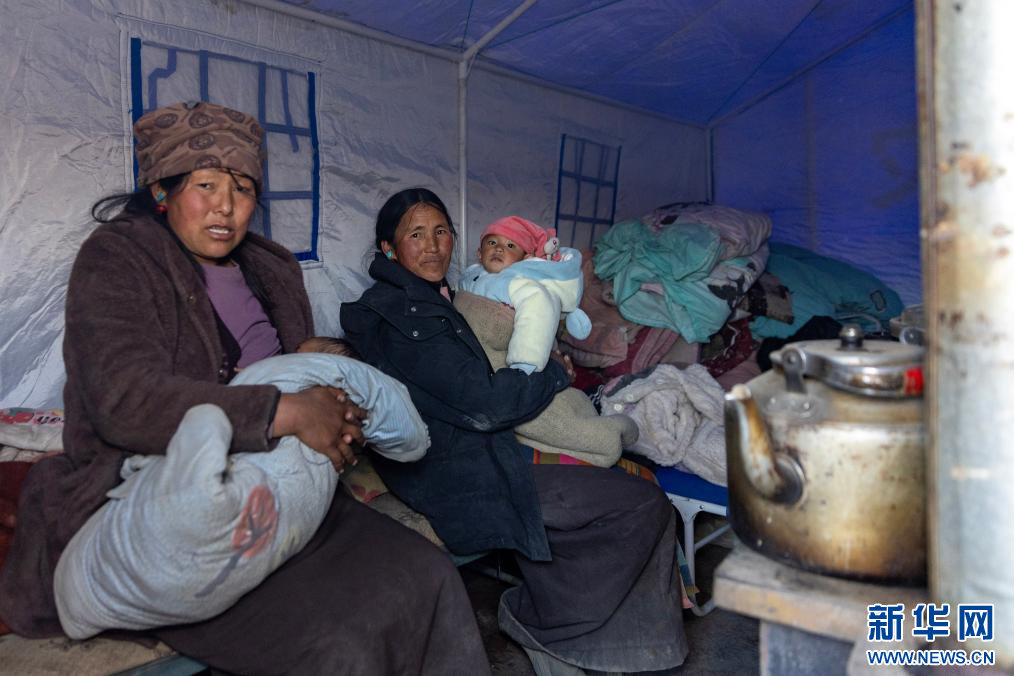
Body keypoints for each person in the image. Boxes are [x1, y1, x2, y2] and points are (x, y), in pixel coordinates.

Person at [0, 102, 488, 675]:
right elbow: (124, 400)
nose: (226, 206)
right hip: (171, 508)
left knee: (430, 578)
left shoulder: (269, 267)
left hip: (289, 488)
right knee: (341, 645)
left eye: (243, 188)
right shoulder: (118, 260)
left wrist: (335, 413)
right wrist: (285, 412)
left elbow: (294, 371)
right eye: (206, 185)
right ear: (162, 190)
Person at [341, 188, 689, 675]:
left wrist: (542, 366)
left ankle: (581, 621)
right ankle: (543, 623)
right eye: (416, 234)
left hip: (484, 443)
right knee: (639, 503)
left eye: (441, 231)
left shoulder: (440, 295)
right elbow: (487, 406)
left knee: (632, 479)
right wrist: (553, 375)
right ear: (389, 248)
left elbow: (482, 379)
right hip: (458, 468)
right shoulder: (398, 313)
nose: (433, 245)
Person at [459, 215, 592, 374]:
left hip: (531, 350)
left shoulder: (520, 283)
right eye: (492, 242)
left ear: (525, 259)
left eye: (510, 245)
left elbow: (539, 307)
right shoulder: (472, 273)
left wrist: (525, 363)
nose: (499, 248)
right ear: (480, 253)